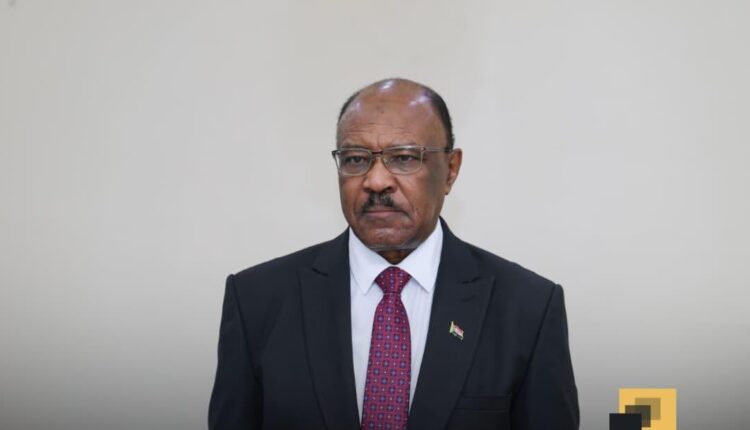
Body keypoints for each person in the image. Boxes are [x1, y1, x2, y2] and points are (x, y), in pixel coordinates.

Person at [208, 78, 579, 430]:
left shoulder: (526, 308)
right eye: (356, 159)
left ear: (450, 170)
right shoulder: (257, 301)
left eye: (403, 158)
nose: (376, 181)